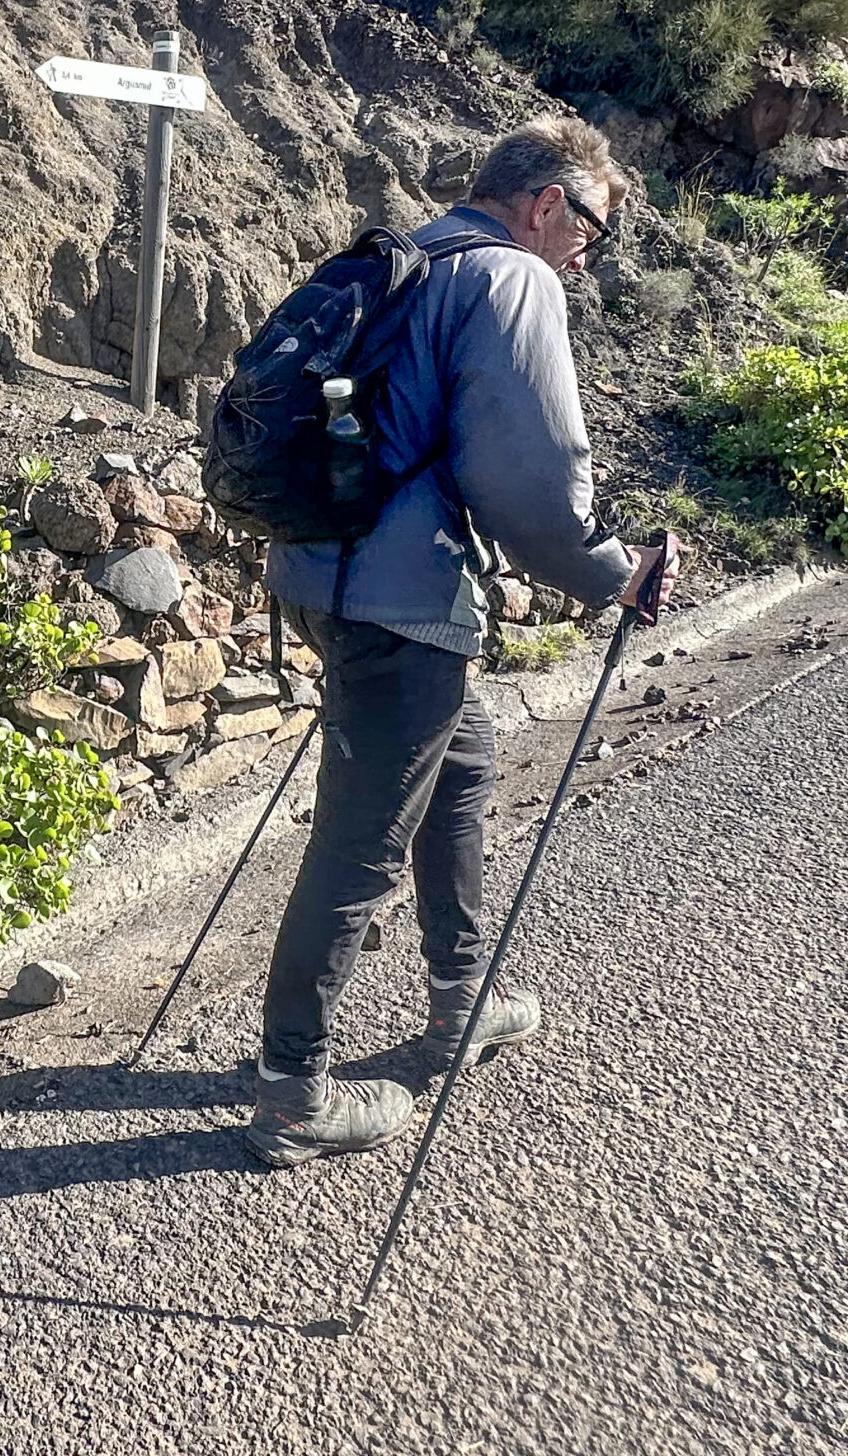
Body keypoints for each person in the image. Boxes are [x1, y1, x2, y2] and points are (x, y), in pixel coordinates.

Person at [246, 114, 680, 1169]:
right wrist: (611, 572)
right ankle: (292, 1095)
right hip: (399, 601)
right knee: (359, 844)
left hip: (316, 572)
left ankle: (460, 999)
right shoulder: (509, 280)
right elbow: (528, 478)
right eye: (589, 229)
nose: (585, 253)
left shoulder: (400, 258)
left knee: (465, 758)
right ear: (544, 203)